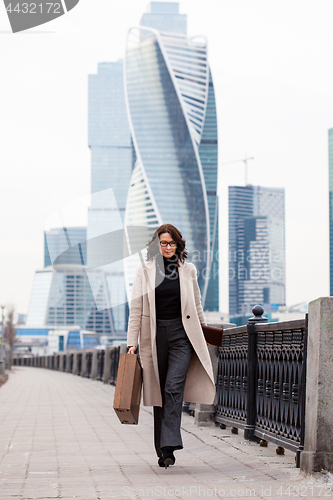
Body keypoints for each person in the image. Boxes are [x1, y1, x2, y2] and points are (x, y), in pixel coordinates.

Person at [127, 223, 215, 468]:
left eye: (172, 243)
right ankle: (163, 447)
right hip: (153, 338)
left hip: (181, 335)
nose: (167, 247)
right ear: (156, 245)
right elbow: (136, 309)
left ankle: (169, 445)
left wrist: (205, 331)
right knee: (159, 394)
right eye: (163, 243)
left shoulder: (188, 270)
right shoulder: (144, 272)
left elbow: (196, 305)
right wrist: (131, 343)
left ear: (178, 245)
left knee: (173, 389)